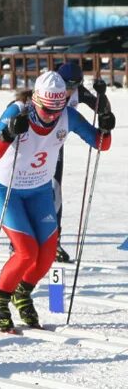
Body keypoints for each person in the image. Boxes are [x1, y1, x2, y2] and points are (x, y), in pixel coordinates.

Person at [0, 71, 113, 332]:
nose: (52, 116)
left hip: (40, 190)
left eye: (57, 109)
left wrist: (106, 124)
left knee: (48, 252)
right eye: (46, 110)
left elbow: (100, 143)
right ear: (35, 101)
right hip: (7, 188)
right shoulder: (17, 112)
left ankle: (23, 293)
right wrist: (8, 134)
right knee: (26, 251)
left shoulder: (66, 115)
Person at [48, 62, 111, 262]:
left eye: (73, 87)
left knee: (55, 192)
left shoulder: (78, 91)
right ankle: (20, 240)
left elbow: (102, 110)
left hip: (56, 144)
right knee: (30, 190)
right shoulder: (49, 85)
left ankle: (54, 242)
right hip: (33, 144)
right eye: (67, 86)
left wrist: (101, 94)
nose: (69, 91)